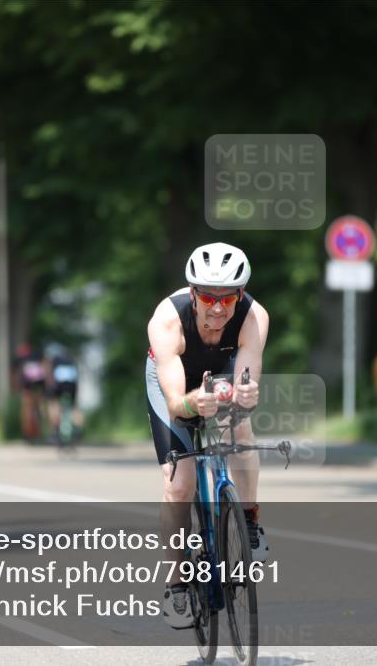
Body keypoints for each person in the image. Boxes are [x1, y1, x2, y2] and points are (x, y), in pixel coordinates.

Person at [146, 242, 269, 629]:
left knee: (242, 425)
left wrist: (245, 395)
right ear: (193, 294)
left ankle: (248, 520)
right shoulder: (166, 321)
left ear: (241, 295)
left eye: (228, 298)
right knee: (179, 485)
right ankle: (177, 583)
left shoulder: (254, 317)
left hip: (222, 373)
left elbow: (247, 381)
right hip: (178, 386)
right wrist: (194, 403)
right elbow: (175, 404)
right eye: (208, 297)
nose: (218, 308)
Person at [43, 342, 81, 445]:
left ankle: (55, 431)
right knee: (74, 407)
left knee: (53, 404)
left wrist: (48, 391)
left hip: (58, 385)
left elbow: (49, 377)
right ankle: (77, 430)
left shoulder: (53, 361)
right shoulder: (71, 360)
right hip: (72, 385)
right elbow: (77, 377)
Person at [13, 342, 46, 441]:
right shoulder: (37, 357)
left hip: (27, 387)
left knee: (26, 410)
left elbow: (17, 375)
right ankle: (38, 432)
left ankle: (28, 433)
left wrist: (17, 387)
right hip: (39, 386)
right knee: (38, 408)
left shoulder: (21, 360)